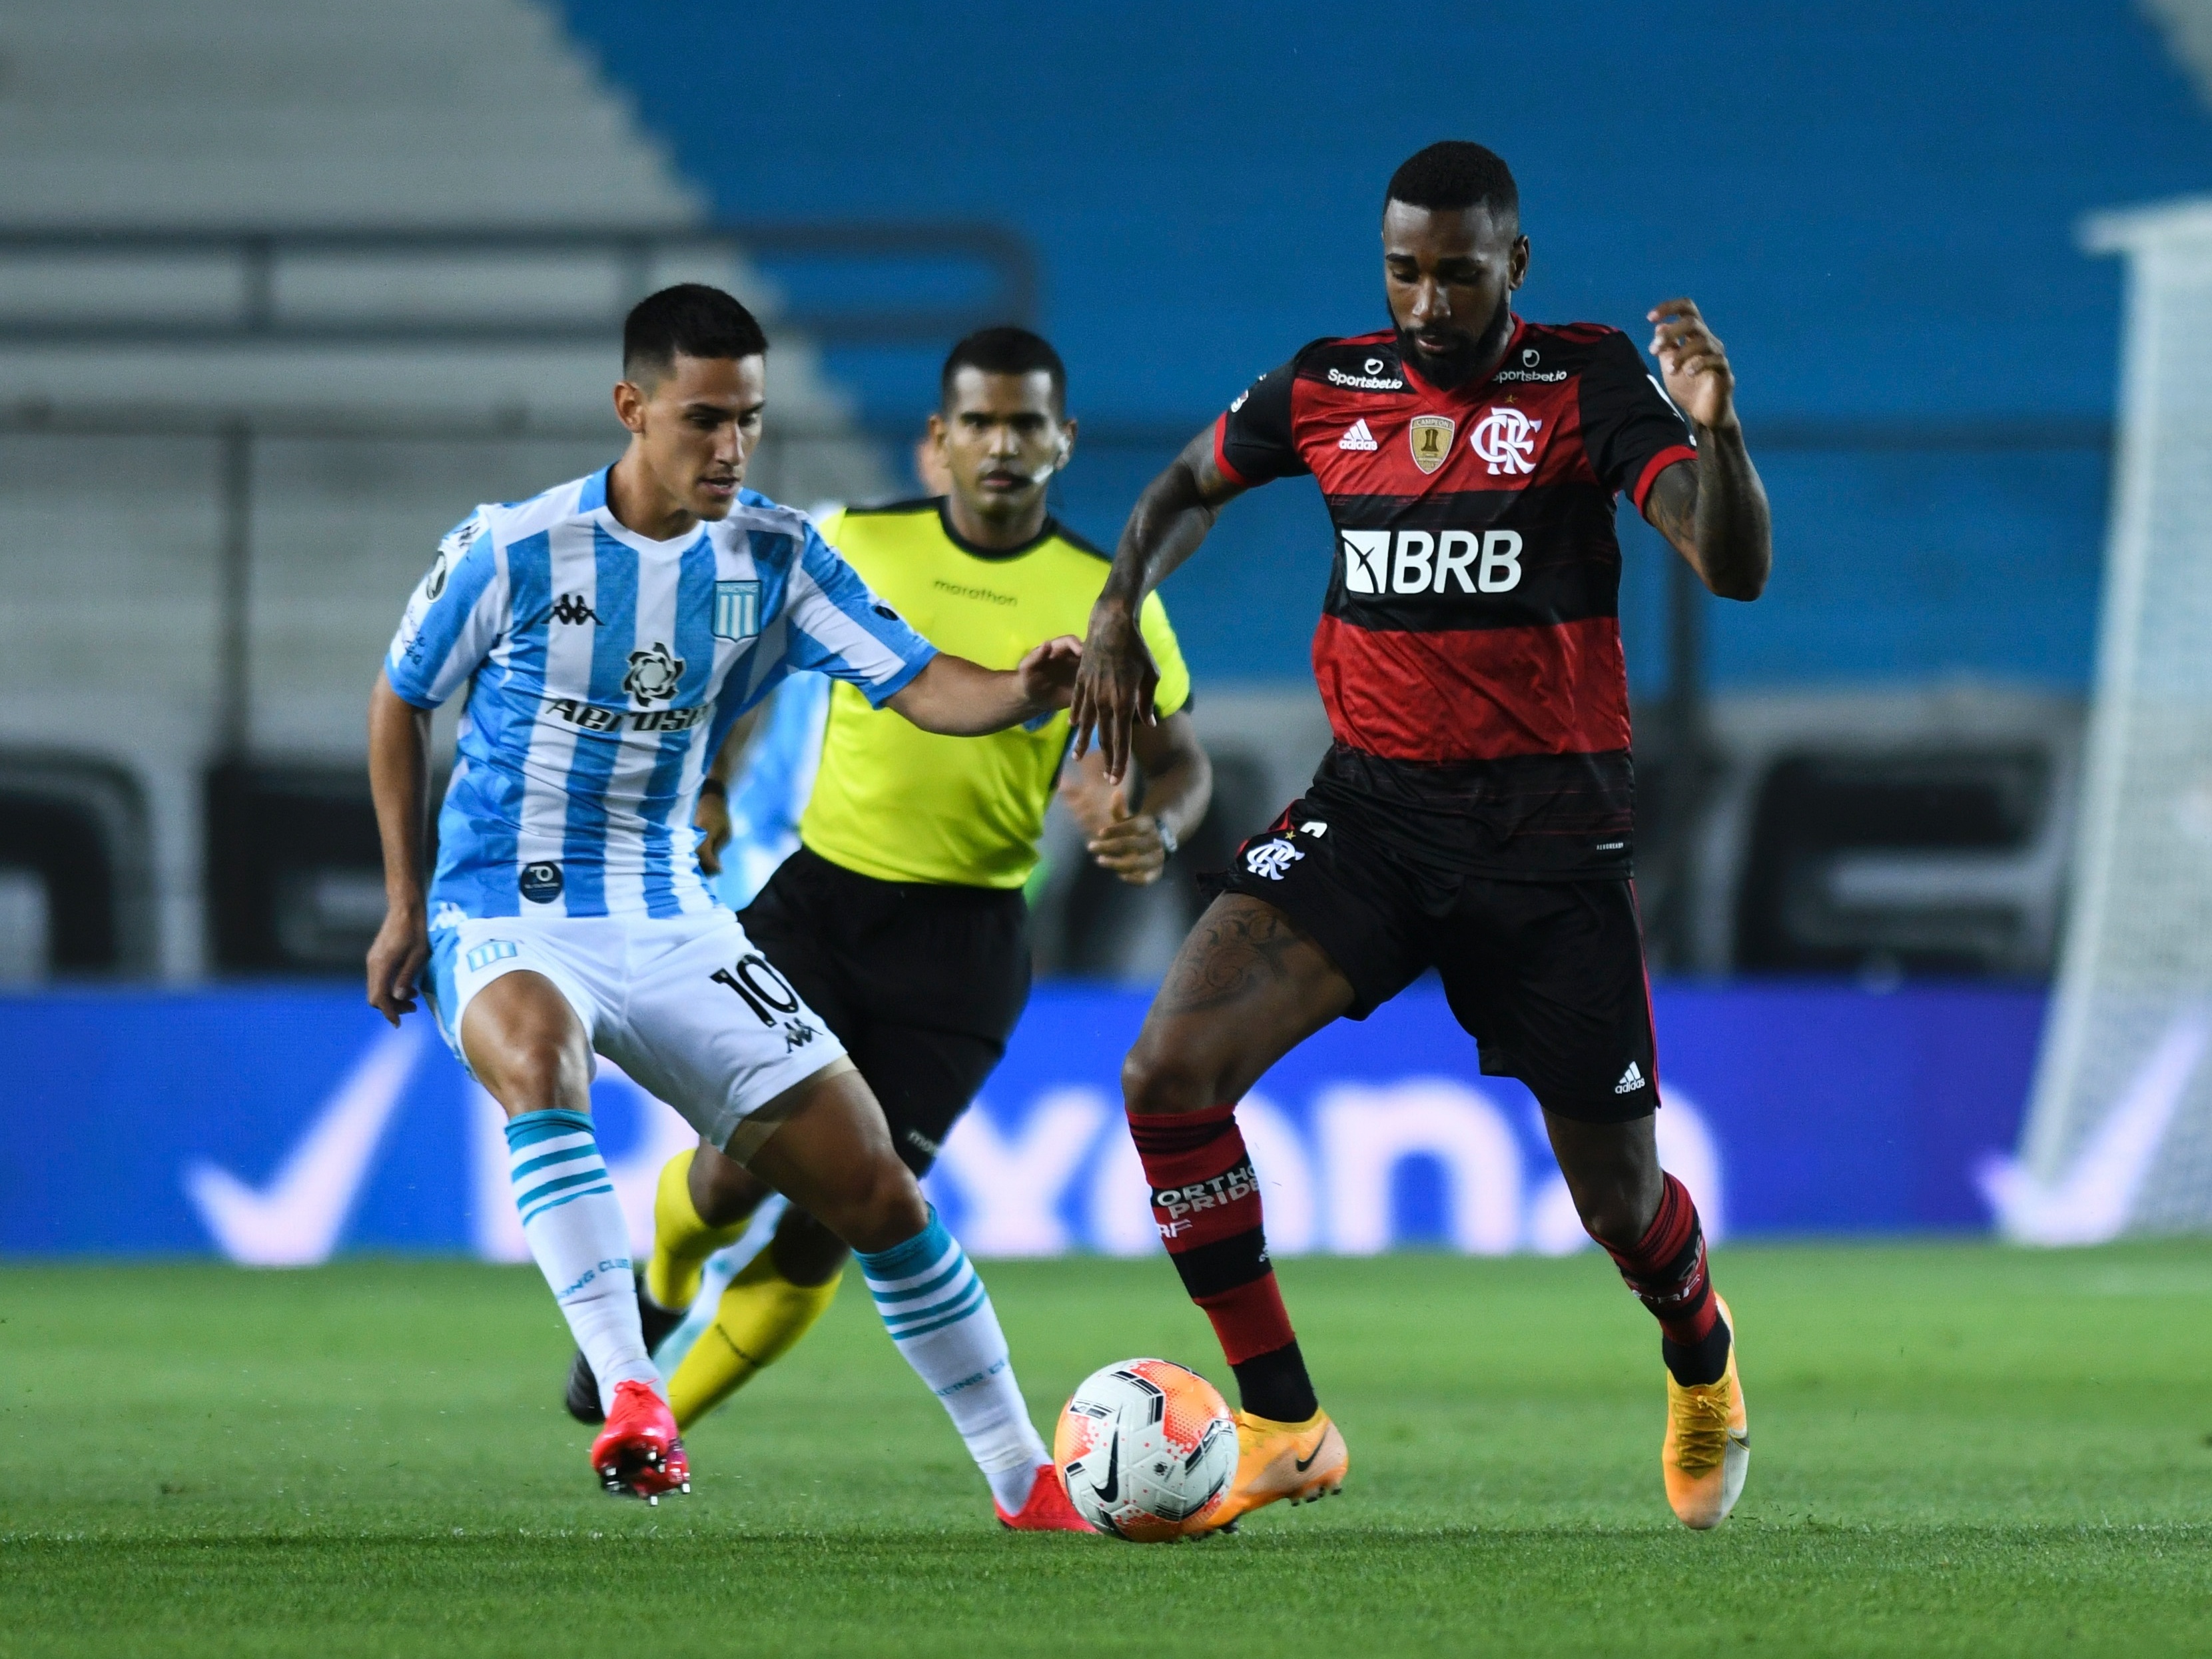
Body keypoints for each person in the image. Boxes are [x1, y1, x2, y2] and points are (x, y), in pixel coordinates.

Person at [1067, 141, 1772, 1532]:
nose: (1427, 300)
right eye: (1403, 270)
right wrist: (1113, 609)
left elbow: (1730, 566)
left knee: (1621, 1208)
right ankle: (1282, 1421)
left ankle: (1701, 1362)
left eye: (1457, 272)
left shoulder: (1582, 386)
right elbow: (1176, 493)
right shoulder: (1327, 385)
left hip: (1548, 847)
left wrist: (1719, 433)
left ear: (1514, 266)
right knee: (1165, 1075)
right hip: (1372, 816)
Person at [365, 283, 1089, 1528]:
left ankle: (1027, 1481)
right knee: (539, 1059)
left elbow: (923, 687)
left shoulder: (776, 555)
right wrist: (399, 905)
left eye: (749, 420)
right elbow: (399, 699)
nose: (731, 447)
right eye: (704, 419)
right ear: (631, 408)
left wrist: (1028, 689)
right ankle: (637, 1393)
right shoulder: (514, 547)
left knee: (877, 1195)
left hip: (671, 911)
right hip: (507, 905)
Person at [561, 325, 1212, 1438]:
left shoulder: (1112, 602)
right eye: (978, 422)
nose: (1001, 444)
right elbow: (739, 662)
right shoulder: (850, 543)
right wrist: (712, 784)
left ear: (1062, 441)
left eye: (1025, 424)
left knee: (846, 1221)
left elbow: (1178, 763)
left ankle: (653, 1421)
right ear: (937, 442)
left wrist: (1155, 827)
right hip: (820, 905)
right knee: (727, 1183)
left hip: (966, 952)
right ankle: (664, 1278)